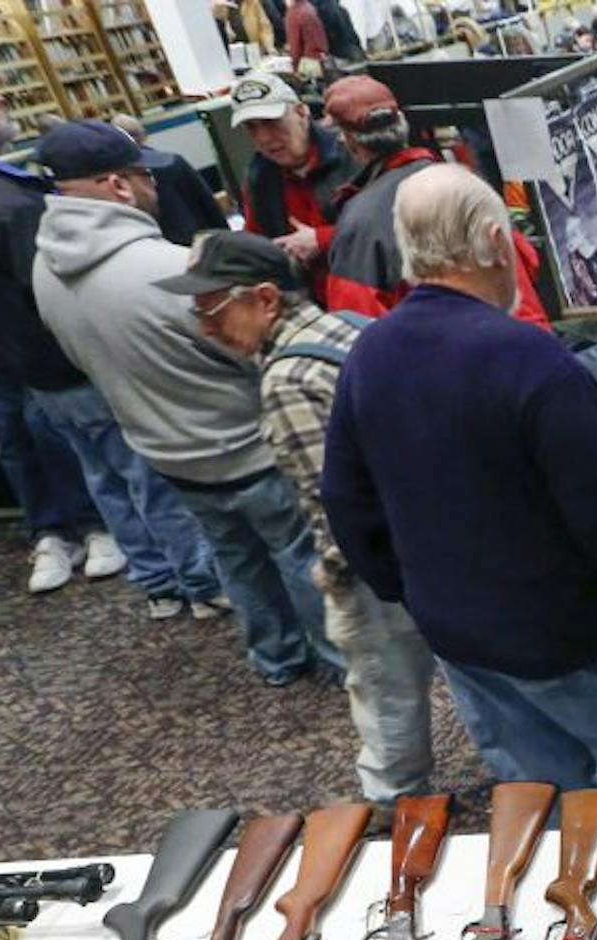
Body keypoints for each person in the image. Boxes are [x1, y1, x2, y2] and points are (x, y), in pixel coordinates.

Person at [323, 165, 597, 807]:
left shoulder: (370, 353)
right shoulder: (536, 364)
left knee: (540, 797)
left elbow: (345, 499)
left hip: (463, 636)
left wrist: (411, 590)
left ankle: (576, 898)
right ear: (498, 241)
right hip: (578, 634)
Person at [33, 120, 335, 680]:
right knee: (299, 555)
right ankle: (339, 661)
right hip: (246, 445)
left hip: (167, 451)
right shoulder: (172, 271)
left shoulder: (43, 268)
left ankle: (276, 658)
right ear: (119, 186)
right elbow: (249, 349)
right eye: (145, 175)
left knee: (237, 558)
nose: (154, 187)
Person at [160, 231, 437, 802]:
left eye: (212, 309)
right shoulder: (352, 328)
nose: (206, 327)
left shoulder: (287, 380)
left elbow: (333, 504)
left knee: (383, 687)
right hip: (429, 541)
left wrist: (335, 579)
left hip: (378, 568)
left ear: (265, 298)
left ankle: (396, 800)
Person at [0, 96, 135, 598]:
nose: (1, 100)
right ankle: (57, 529)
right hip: (23, 350)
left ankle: (84, 526)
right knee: (31, 438)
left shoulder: (15, 192)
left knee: (52, 435)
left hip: (33, 350)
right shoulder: (13, 198)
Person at [321, 76, 548, 325]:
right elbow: (524, 267)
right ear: (402, 123)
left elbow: (356, 324)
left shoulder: (360, 224)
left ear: (349, 140)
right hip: (526, 344)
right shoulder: (466, 184)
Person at [231, 71, 357, 298]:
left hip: (369, 288)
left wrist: (323, 239)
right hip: (308, 301)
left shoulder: (352, 154)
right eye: (252, 128)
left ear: (301, 112)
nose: (264, 138)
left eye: (272, 123)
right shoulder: (259, 178)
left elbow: (394, 225)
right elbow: (256, 239)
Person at [112, 114, 227, 248]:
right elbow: (207, 203)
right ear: (144, 135)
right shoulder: (174, 161)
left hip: (161, 246)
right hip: (199, 239)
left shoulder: (122, 176)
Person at [284, 0, 329, 73]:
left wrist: (294, 66)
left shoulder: (293, 13)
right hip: (318, 59)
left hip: (306, 63)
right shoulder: (309, 7)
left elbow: (295, 45)